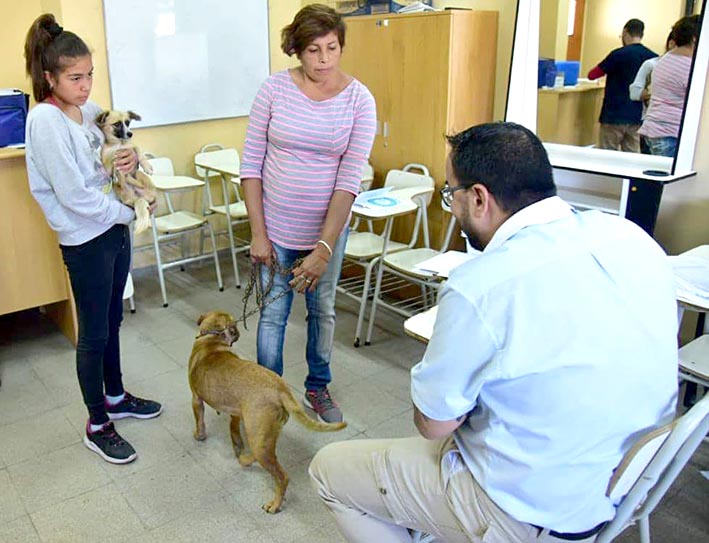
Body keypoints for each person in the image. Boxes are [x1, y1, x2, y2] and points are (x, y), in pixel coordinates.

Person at [309, 122, 678, 543]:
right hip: (617, 484)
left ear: (479, 197)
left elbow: (434, 424)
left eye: (451, 195)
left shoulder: (480, 284)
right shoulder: (630, 236)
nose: (453, 208)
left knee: (329, 470)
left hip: (529, 509)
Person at [24, 14, 161, 465]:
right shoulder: (45, 121)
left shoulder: (88, 111)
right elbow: (76, 197)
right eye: (75, 78)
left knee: (112, 321)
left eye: (89, 76)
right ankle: (97, 422)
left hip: (114, 229)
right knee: (94, 332)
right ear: (50, 77)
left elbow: (116, 155)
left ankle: (117, 396)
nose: (85, 87)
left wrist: (135, 171)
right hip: (87, 238)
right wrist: (126, 210)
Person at [240, 4, 376, 423]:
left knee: (323, 309)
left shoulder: (359, 99)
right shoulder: (273, 90)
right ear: (296, 50)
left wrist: (323, 248)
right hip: (276, 229)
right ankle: (268, 394)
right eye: (313, 50)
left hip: (327, 231)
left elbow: (349, 180)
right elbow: (251, 165)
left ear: (341, 47)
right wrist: (259, 234)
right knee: (273, 315)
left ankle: (317, 387)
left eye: (332, 48)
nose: (323, 60)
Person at [588, 19, 657, 152]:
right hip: (636, 116)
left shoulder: (617, 55)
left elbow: (593, 75)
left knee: (607, 154)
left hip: (613, 115)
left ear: (625, 32)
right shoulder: (652, 57)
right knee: (631, 157)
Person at [639, 15, 702, 157]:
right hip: (670, 133)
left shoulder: (665, 59)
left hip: (656, 129)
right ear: (694, 39)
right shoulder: (689, 66)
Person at [629, 31, 675, 154]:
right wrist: (654, 93)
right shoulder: (652, 64)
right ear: (671, 44)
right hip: (653, 123)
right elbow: (634, 93)